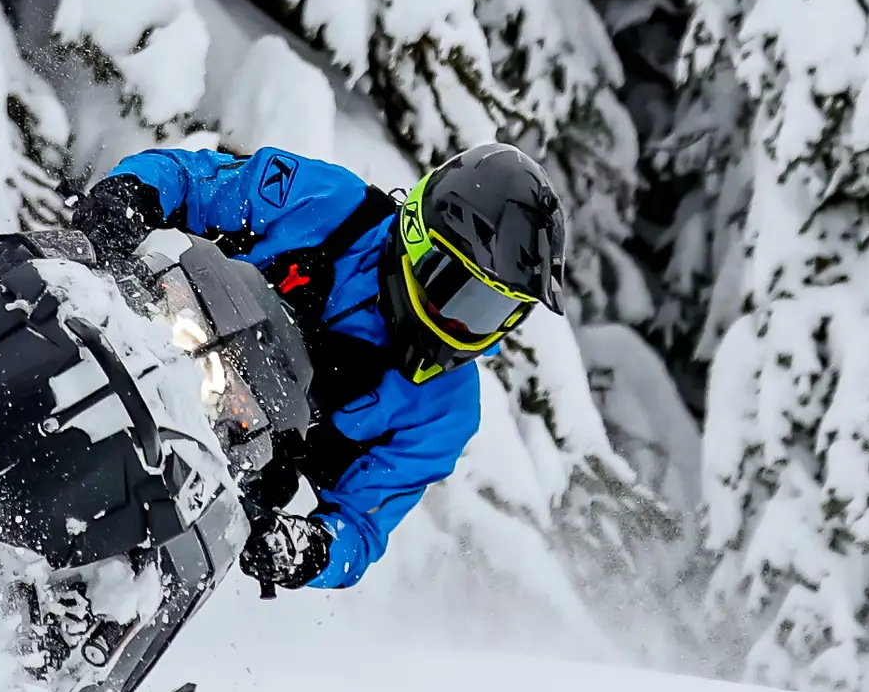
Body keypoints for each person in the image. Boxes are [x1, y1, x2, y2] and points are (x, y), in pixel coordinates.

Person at [73, 141, 566, 594]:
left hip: (224, 470)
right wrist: (130, 196)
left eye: (491, 309)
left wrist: (307, 550)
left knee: (196, 546)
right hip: (148, 338)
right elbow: (195, 180)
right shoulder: (328, 203)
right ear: (418, 234)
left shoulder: (445, 410)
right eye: (455, 285)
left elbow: (361, 525)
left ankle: (89, 627)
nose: (457, 318)